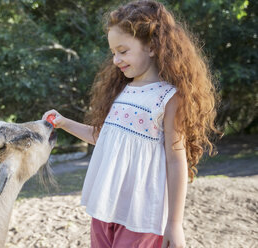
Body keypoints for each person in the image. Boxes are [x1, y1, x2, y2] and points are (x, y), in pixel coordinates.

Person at [43, 1, 219, 247]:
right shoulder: (123, 91)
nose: (116, 60)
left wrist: (174, 224)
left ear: (152, 46)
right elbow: (102, 138)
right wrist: (63, 122)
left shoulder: (169, 98)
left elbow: (175, 160)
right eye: (113, 52)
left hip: (141, 215)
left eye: (123, 51)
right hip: (105, 208)